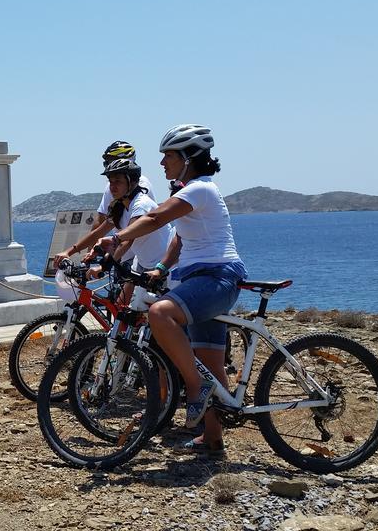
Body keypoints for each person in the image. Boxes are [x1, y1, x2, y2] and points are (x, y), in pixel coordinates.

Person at [97, 124, 246, 456]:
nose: (162, 163)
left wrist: (119, 238)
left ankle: (195, 389)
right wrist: (162, 268)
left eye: (168, 156)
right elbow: (179, 236)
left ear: (188, 158)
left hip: (215, 277)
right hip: (200, 279)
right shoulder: (189, 190)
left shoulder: (199, 190)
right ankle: (212, 438)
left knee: (159, 313)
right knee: (209, 360)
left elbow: (155, 219)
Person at [54, 159, 170, 290]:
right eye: (111, 181)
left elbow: (127, 240)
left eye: (118, 181)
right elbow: (97, 233)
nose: (112, 186)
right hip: (143, 263)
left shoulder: (141, 205)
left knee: (151, 308)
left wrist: (103, 266)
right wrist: (68, 252)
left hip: (162, 266)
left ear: (132, 182)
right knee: (128, 307)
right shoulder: (119, 207)